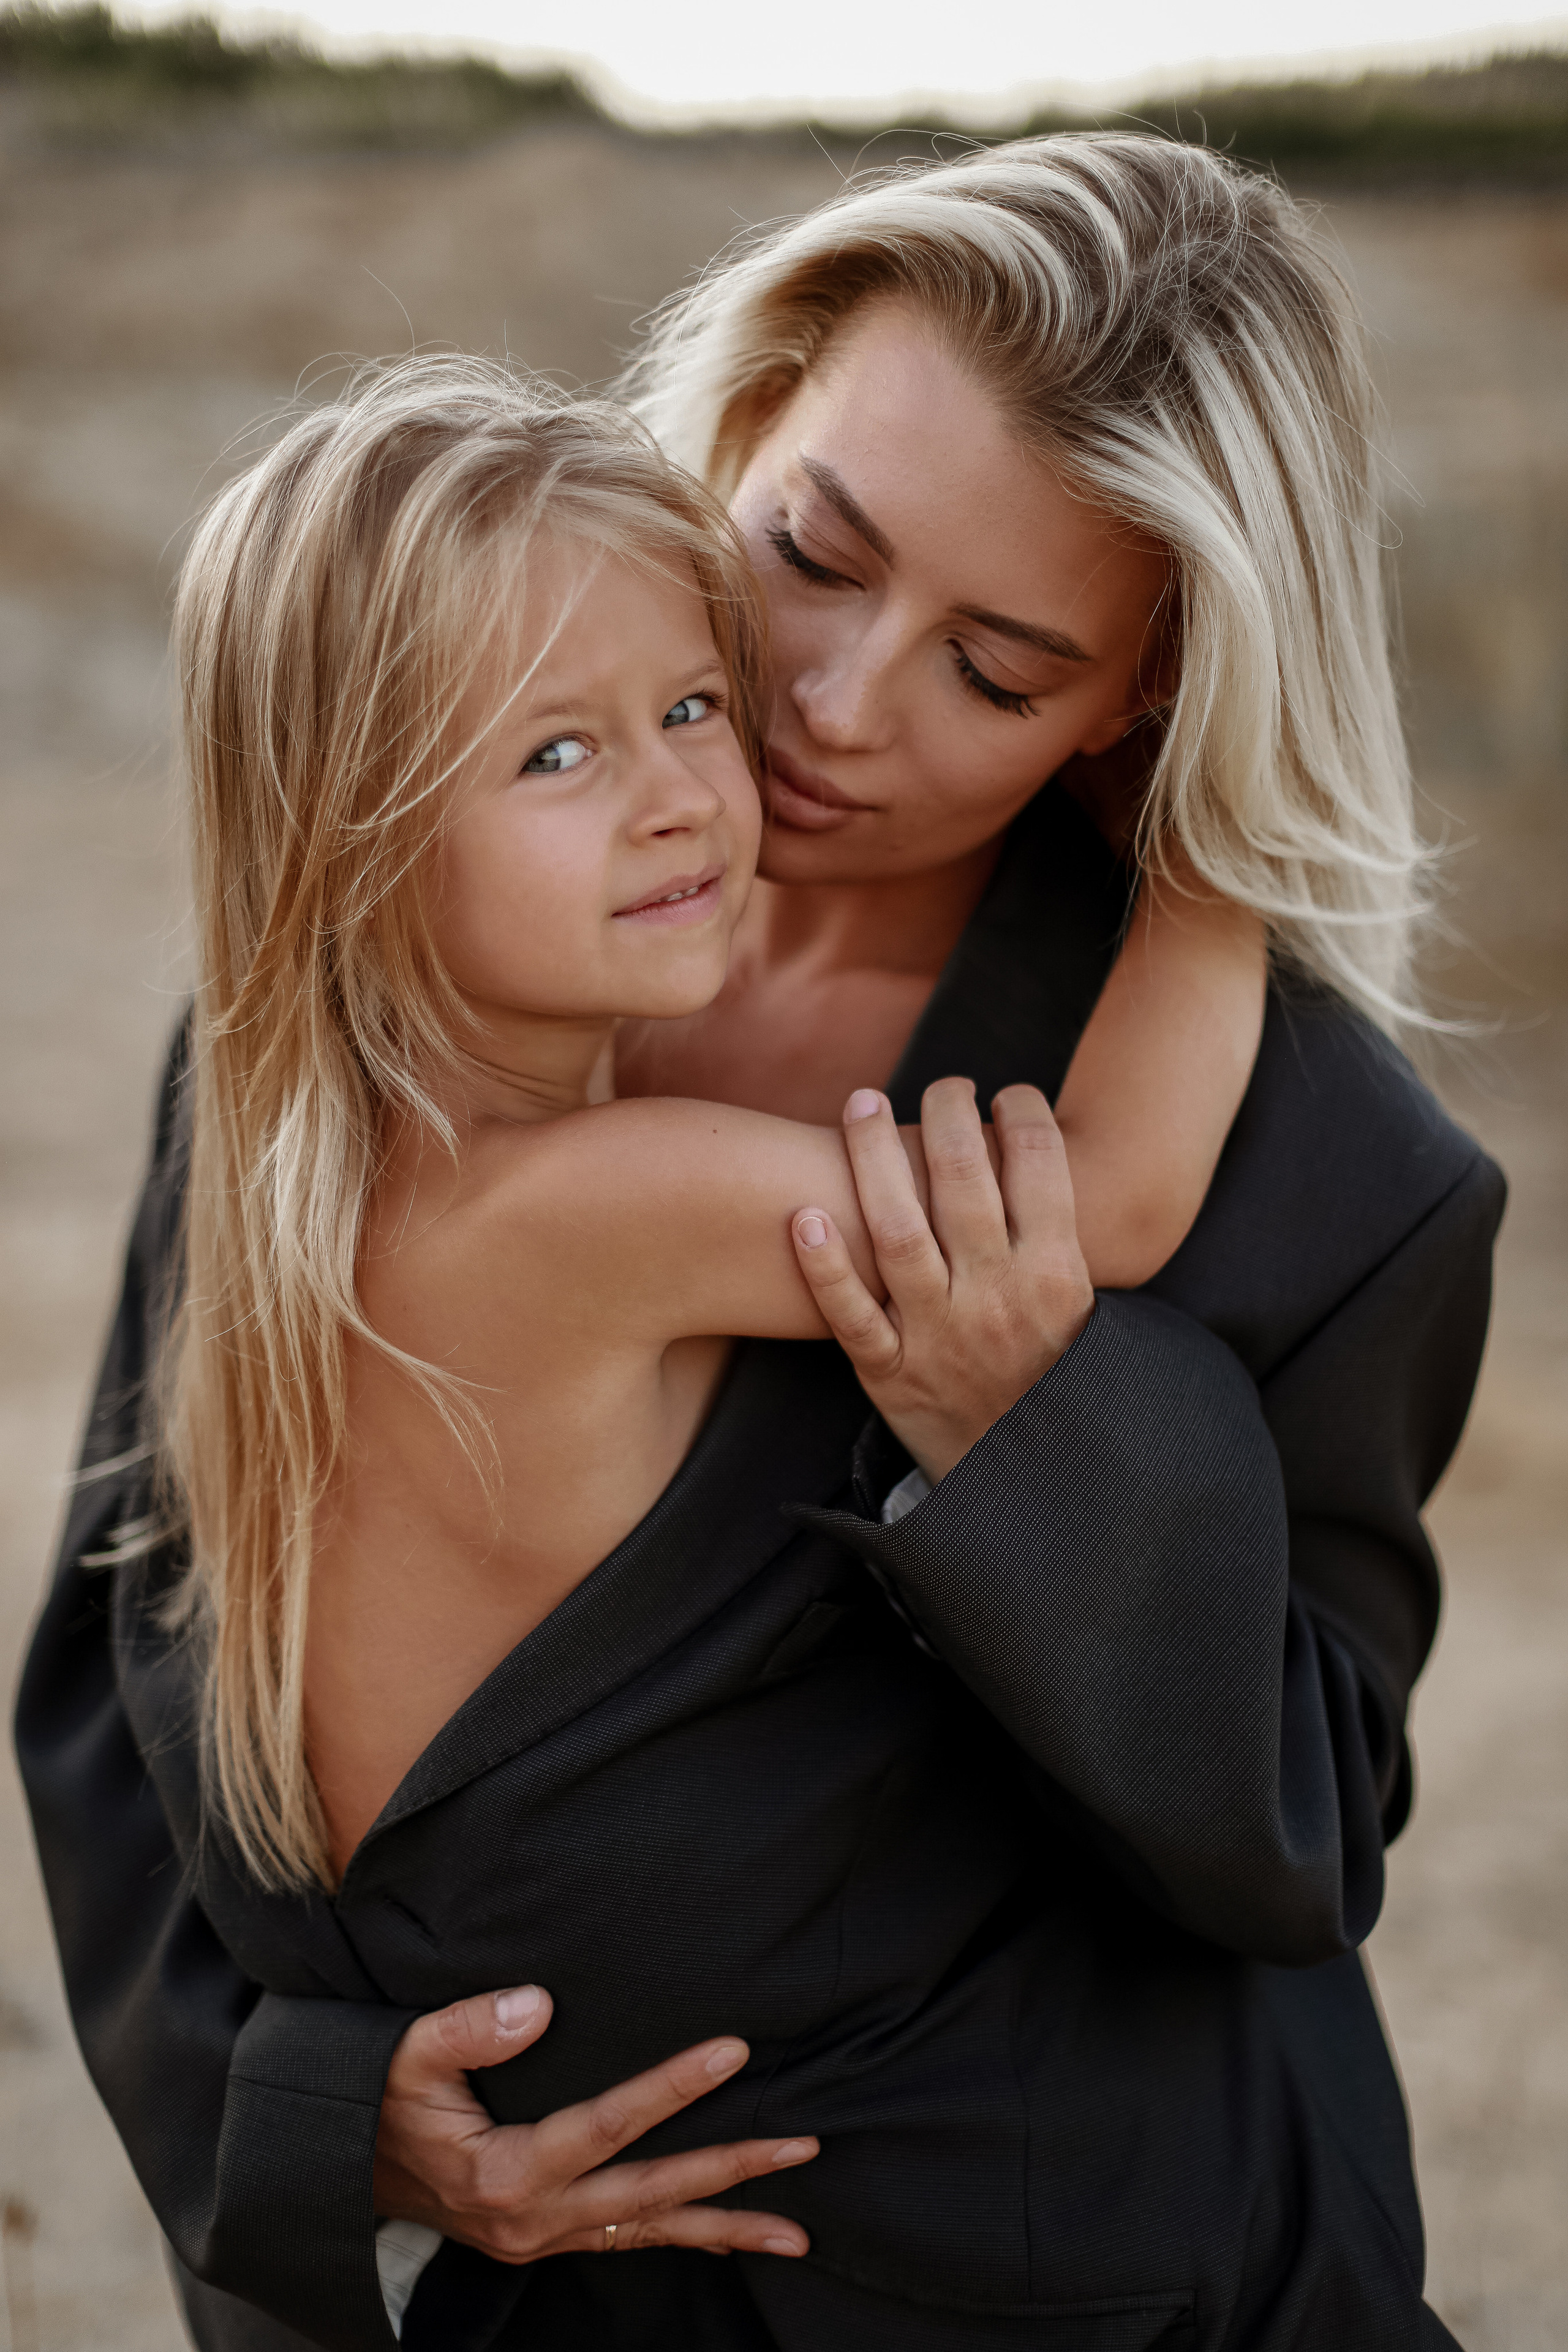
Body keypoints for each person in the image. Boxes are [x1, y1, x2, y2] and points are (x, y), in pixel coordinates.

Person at [17, 134, 1501, 2352]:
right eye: (811, 551)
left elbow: (1295, 1831)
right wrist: (322, 2114)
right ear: (745, 416)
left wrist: (1047, 1433)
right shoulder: (365, 993)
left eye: (996, 671)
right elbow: (143, 1638)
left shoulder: (1330, 1167)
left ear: (1150, 693)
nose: (826, 701)